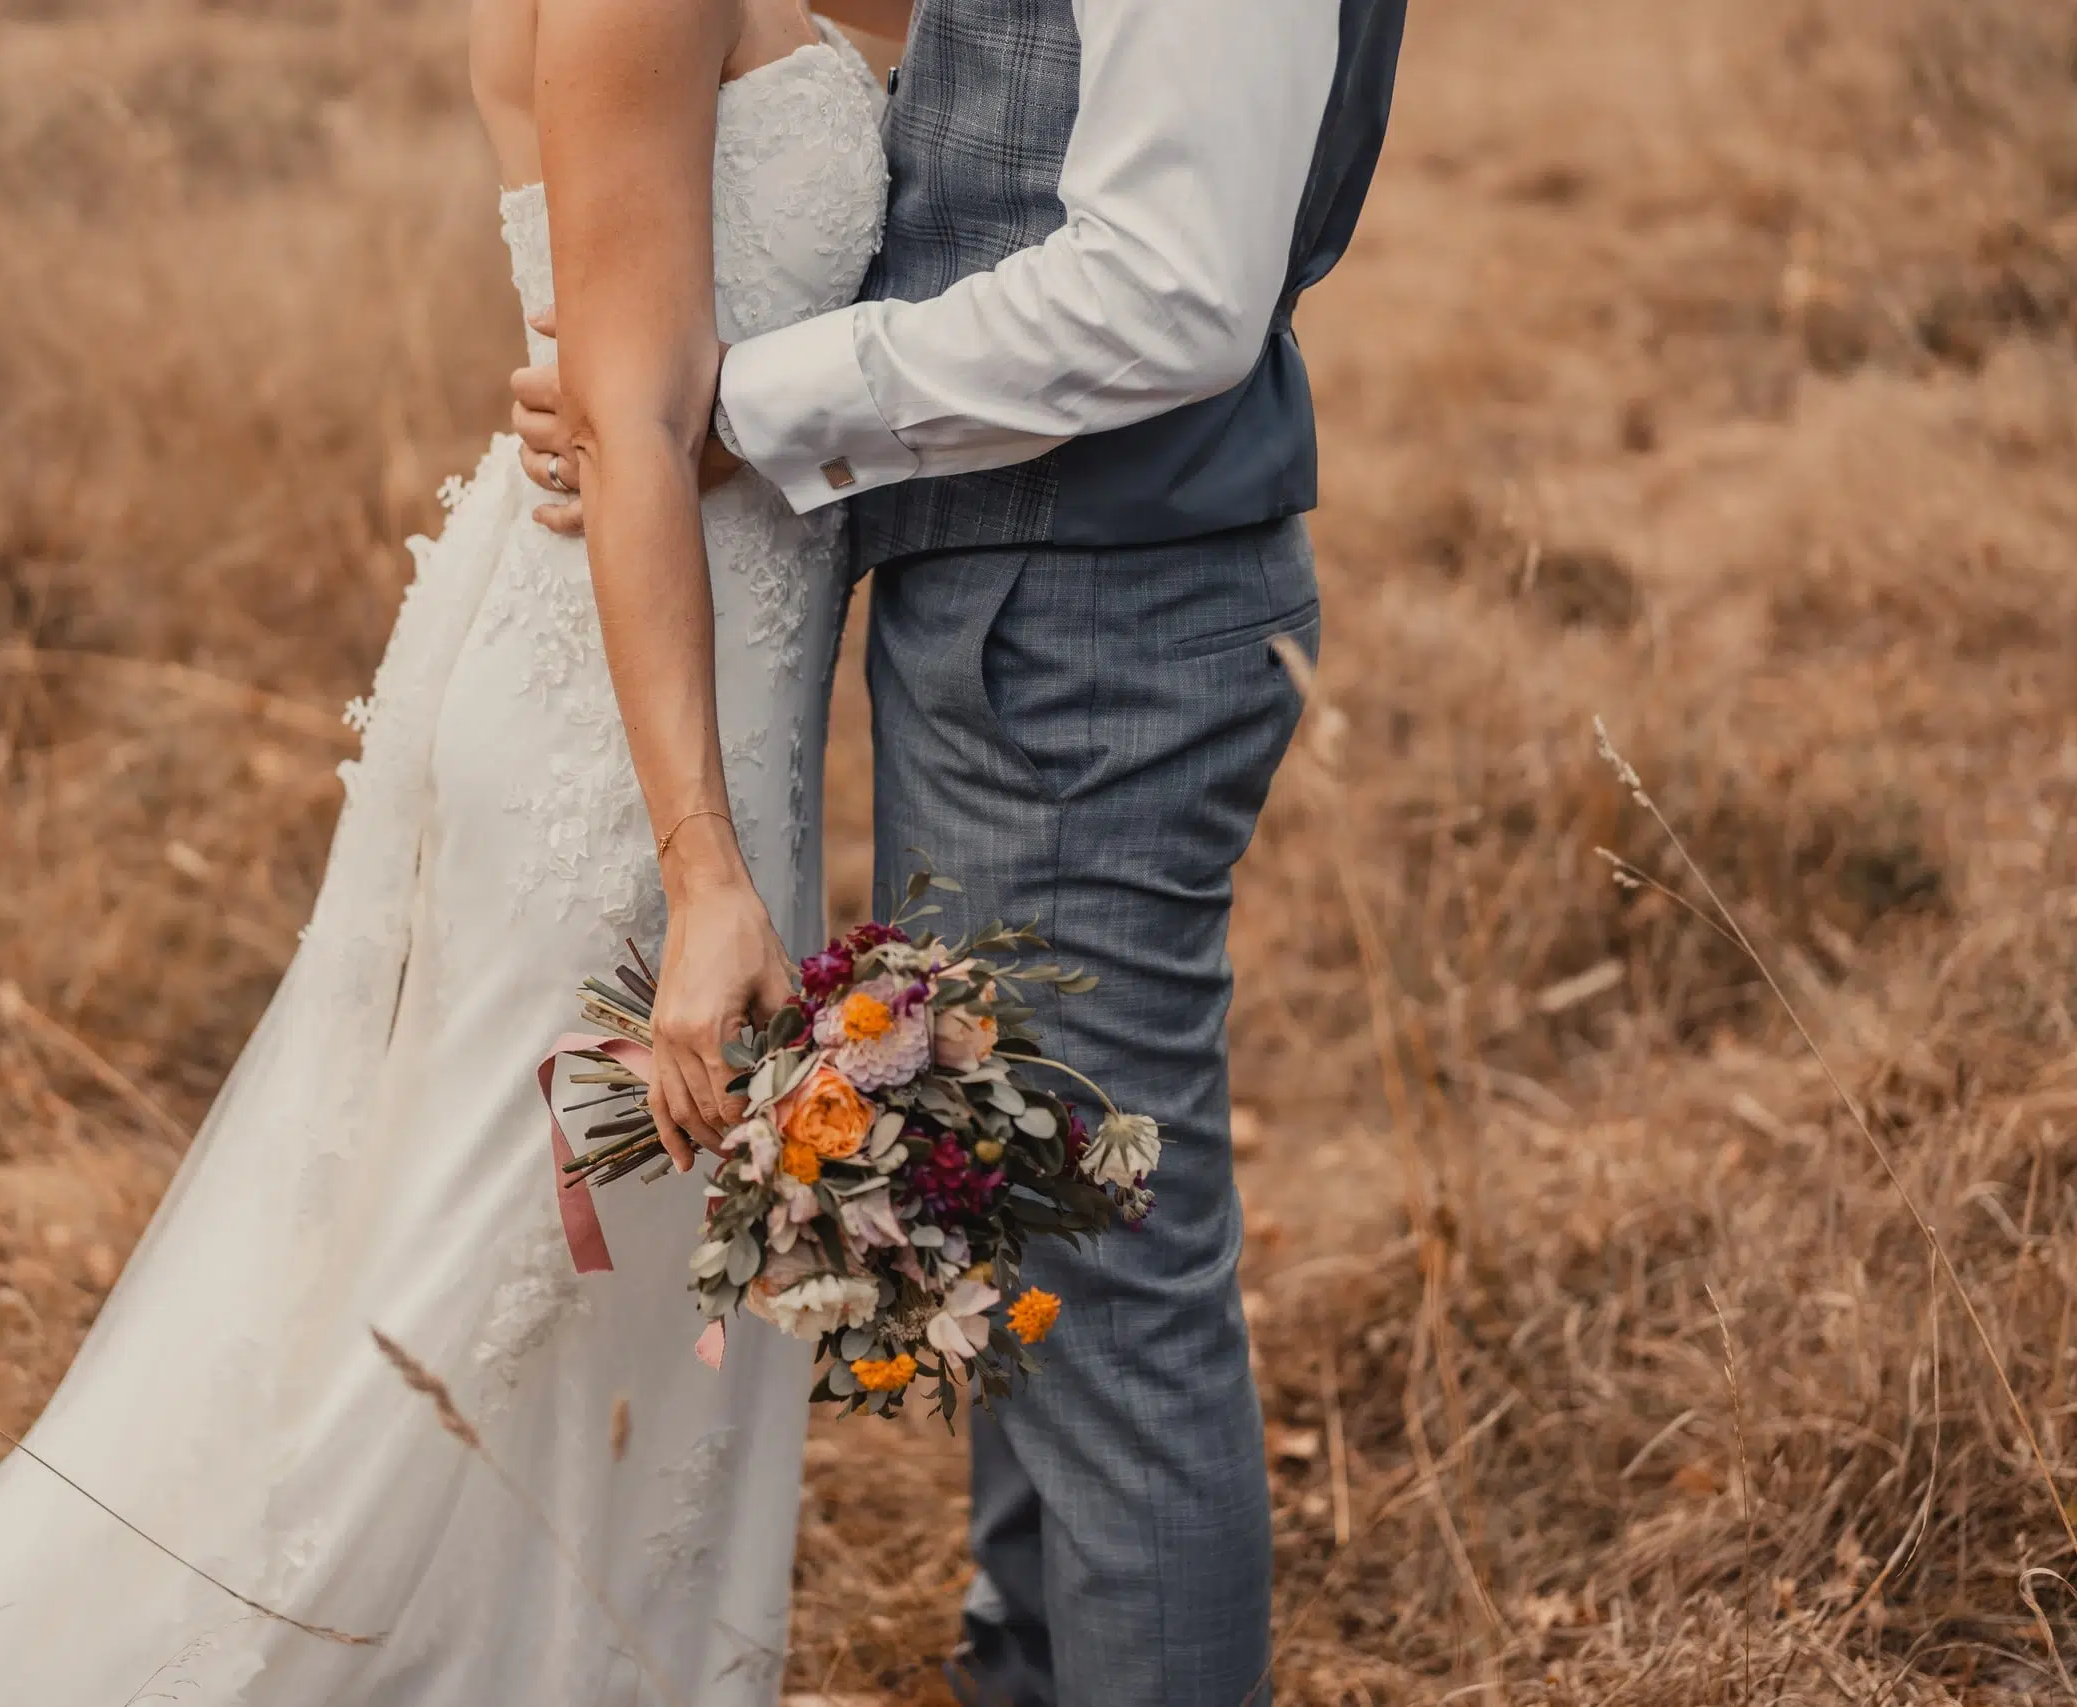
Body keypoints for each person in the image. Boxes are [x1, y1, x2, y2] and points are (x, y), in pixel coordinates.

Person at [0, 1, 885, 1701]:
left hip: (700, 698)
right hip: (621, 743)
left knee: (589, 1287)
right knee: (479, 1287)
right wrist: (701, 867)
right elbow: (631, 417)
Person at [510, 1, 1408, 1700]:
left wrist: (740, 401)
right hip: (1031, 603)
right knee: (1022, 1241)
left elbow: (1167, 289)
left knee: (1110, 1300)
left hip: (1091, 621)